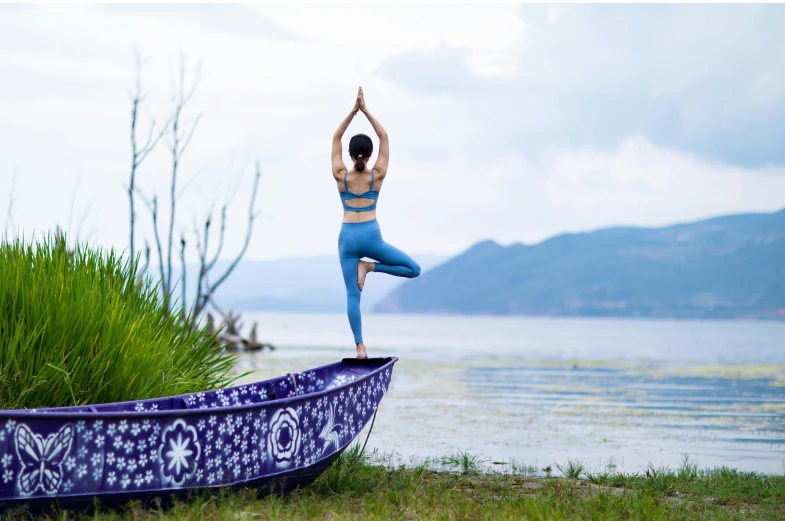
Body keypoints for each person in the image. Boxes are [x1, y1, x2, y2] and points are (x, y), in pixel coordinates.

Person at [332, 87, 421, 359]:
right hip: (371, 236)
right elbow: (384, 136)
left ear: (350, 154)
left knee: (352, 295)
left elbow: (336, 136)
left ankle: (360, 347)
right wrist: (366, 110)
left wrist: (353, 110)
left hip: (347, 238)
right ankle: (370, 266)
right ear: (369, 155)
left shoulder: (340, 175)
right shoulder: (377, 175)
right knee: (413, 269)